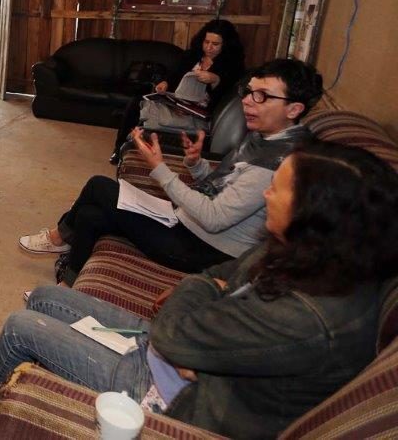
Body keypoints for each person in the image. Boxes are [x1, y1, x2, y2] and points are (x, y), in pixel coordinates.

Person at [0, 141, 398, 439]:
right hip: (178, 357)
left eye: (279, 190)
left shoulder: (309, 320)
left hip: (171, 396)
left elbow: (181, 327)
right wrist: (203, 306)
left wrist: (196, 303)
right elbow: (222, 276)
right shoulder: (304, 252)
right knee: (47, 297)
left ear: (315, 213)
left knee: (20, 326)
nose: (265, 197)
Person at [18, 58, 322, 285]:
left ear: (294, 109)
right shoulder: (266, 138)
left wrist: (160, 169)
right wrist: (196, 164)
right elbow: (227, 190)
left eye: (263, 95)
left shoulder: (279, 163)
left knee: (99, 186)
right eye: (249, 91)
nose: (247, 100)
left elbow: (215, 219)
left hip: (201, 249)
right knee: (89, 217)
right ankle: (67, 286)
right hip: (186, 224)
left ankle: (59, 237)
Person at [110, 19, 245, 163]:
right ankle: (120, 148)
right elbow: (175, 74)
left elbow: (221, 100)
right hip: (177, 101)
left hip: (198, 113)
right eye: (206, 42)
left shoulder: (231, 65)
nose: (209, 47)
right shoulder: (192, 55)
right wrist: (165, 83)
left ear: (226, 45)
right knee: (136, 103)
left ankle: (134, 147)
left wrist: (216, 81)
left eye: (215, 44)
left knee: (143, 111)